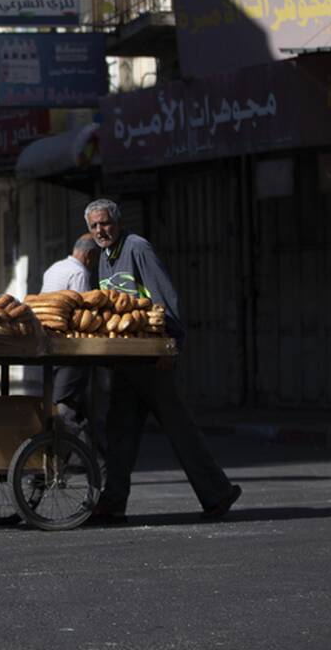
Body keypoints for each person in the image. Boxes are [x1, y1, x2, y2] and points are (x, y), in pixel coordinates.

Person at [84, 198, 242, 524]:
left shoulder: (137, 248)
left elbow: (165, 297)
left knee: (179, 428)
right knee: (119, 432)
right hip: (126, 361)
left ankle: (218, 493)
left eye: (106, 223)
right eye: (94, 226)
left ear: (118, 222)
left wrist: (170, 347)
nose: (101, 230)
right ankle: (113, 503)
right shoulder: (103, 258)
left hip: (153, 357)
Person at [40, 235, 104, 450]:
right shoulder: (79, 273)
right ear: (89, 255)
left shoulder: (54, 268)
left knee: (79, 408)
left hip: (50, 346)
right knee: (68, 407)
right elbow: (81, 318)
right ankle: (54, 461)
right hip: (71, 350)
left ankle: (97, 467)